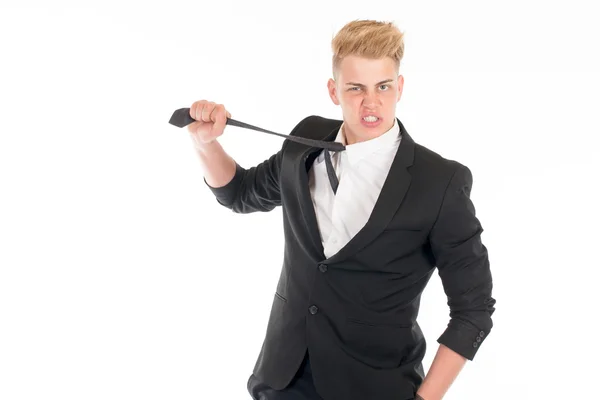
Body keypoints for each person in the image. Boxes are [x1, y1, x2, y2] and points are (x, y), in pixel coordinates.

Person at [187, 19, 495, 400]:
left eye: (383, 86)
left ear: (399, 87)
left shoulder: (439, 182)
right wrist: (204, 143)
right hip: (283, 381)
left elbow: (473, 309)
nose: (371, 102)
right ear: (334, 91)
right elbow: (240, 193)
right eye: (356, 88)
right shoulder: (306, 140)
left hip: (375, 388)